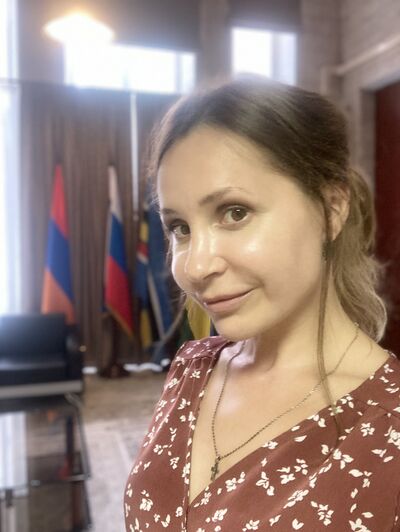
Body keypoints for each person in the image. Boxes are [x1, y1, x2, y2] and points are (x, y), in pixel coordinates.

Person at [124, 77, 400, 531]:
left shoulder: (387, 428)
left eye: (235, 212)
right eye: (180, 227)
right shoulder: (191, 369)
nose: (195, 266)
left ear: (332, 208)